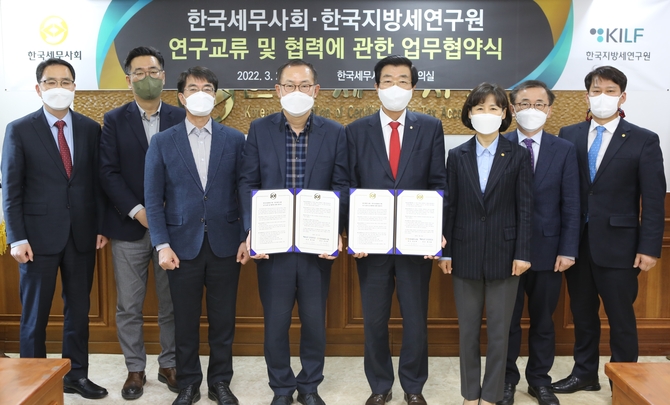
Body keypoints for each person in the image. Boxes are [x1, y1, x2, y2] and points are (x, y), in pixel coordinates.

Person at [238, 59, 349, 405]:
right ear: (278, 90)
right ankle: (282, 388)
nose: (296, 91)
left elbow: (341, 185)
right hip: (273, 246)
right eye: (289, 85)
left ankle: (310, 386)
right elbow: (248, 182)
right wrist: (252, 230)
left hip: (317, 245)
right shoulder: (260, 129)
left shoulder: (335, 132)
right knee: (276, 322)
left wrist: (336, 229)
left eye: (303, 85)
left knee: (314, 322)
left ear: (316, 91)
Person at [552, 66, 665, 394]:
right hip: (577, 243)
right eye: (596, 90)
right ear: (586, 96)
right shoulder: (569, 134)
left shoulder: (643, 139)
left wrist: (649, 248)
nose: (603, 96)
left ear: (622, 97)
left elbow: (653, 200)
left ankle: (624, 382)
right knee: (582, 314)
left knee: (621, 318)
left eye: (610, 91)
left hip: (621, 245)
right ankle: (584, 373)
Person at [1, 58, 108, 399]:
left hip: (82, 235)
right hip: (35, 239)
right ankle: (33, 381)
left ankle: (76, 375)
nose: (58, 87)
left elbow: (96, 183)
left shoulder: (90, 129)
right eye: (51, 82)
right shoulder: (19, 129)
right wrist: (17, 237)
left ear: (74, 87)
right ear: (38, 88)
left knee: (79, 311)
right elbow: (11, 189)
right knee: (35, 315)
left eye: (65, 81)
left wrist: (100, 226)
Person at [144, 66, 248, 405]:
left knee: (223, 321)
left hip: (226, 244)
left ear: (215, 97)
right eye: (193, 88)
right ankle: (188, 383)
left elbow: (244, 191)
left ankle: (220, 382)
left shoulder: (235, 139)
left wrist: (246, 236)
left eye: (207, 88)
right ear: (181, 97)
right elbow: (153, 199)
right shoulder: (162, 141)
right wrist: (161, 244)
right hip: (180, 246)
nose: (200, 94)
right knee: (184, 321)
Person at [347, 55, 446, 405]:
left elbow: (438, 182)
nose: (395, 87)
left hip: (415, 244)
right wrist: (351, 231)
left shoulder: (430, 127)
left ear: (413, 88)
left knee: (415, 320)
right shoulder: (356, 130)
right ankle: (380, 386)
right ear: (376, 87)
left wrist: (436, 229)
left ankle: (413, 386)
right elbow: (347, 184)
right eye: (387, 80)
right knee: (374, 321)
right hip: (370, 245)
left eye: (403, 80)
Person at [99, 46, 185, 399]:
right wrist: (138, 211)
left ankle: (170, 364)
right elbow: (108, 172)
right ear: (128, 78)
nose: (146, 78)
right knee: (129, 305)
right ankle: (135, 369)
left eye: (152, 71)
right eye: (138, 72)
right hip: (129, 228)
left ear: (163, 76)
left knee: (171, 302)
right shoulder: (113, 120)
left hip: (174, 228)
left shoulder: (181, 117)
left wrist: (166, 211)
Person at [439, 82, 533, 405]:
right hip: (463, 252)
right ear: (469, 113)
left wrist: (523, 252)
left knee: (499, 332)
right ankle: (470, 395)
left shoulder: (518, 155)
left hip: (506, 256)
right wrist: (445, 251)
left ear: (505, 113)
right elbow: (450, 206)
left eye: (494, 107)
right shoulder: (457, 155)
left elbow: (525, 208)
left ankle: (491, 395)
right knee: (467, 331)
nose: (486, 113)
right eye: (479, 107)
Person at [499, 81, 580, 405]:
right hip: (506, 251)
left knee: (544, 322)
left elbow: (571, 203)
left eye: (539, 103)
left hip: (549, 251)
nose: (531, 109)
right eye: (524, 103)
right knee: (506, 322)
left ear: (549, 109)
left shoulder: (564, 149)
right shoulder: (498, 144)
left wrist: (568, 249)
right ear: (512, 108)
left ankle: (539, 381)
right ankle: (506, 381)